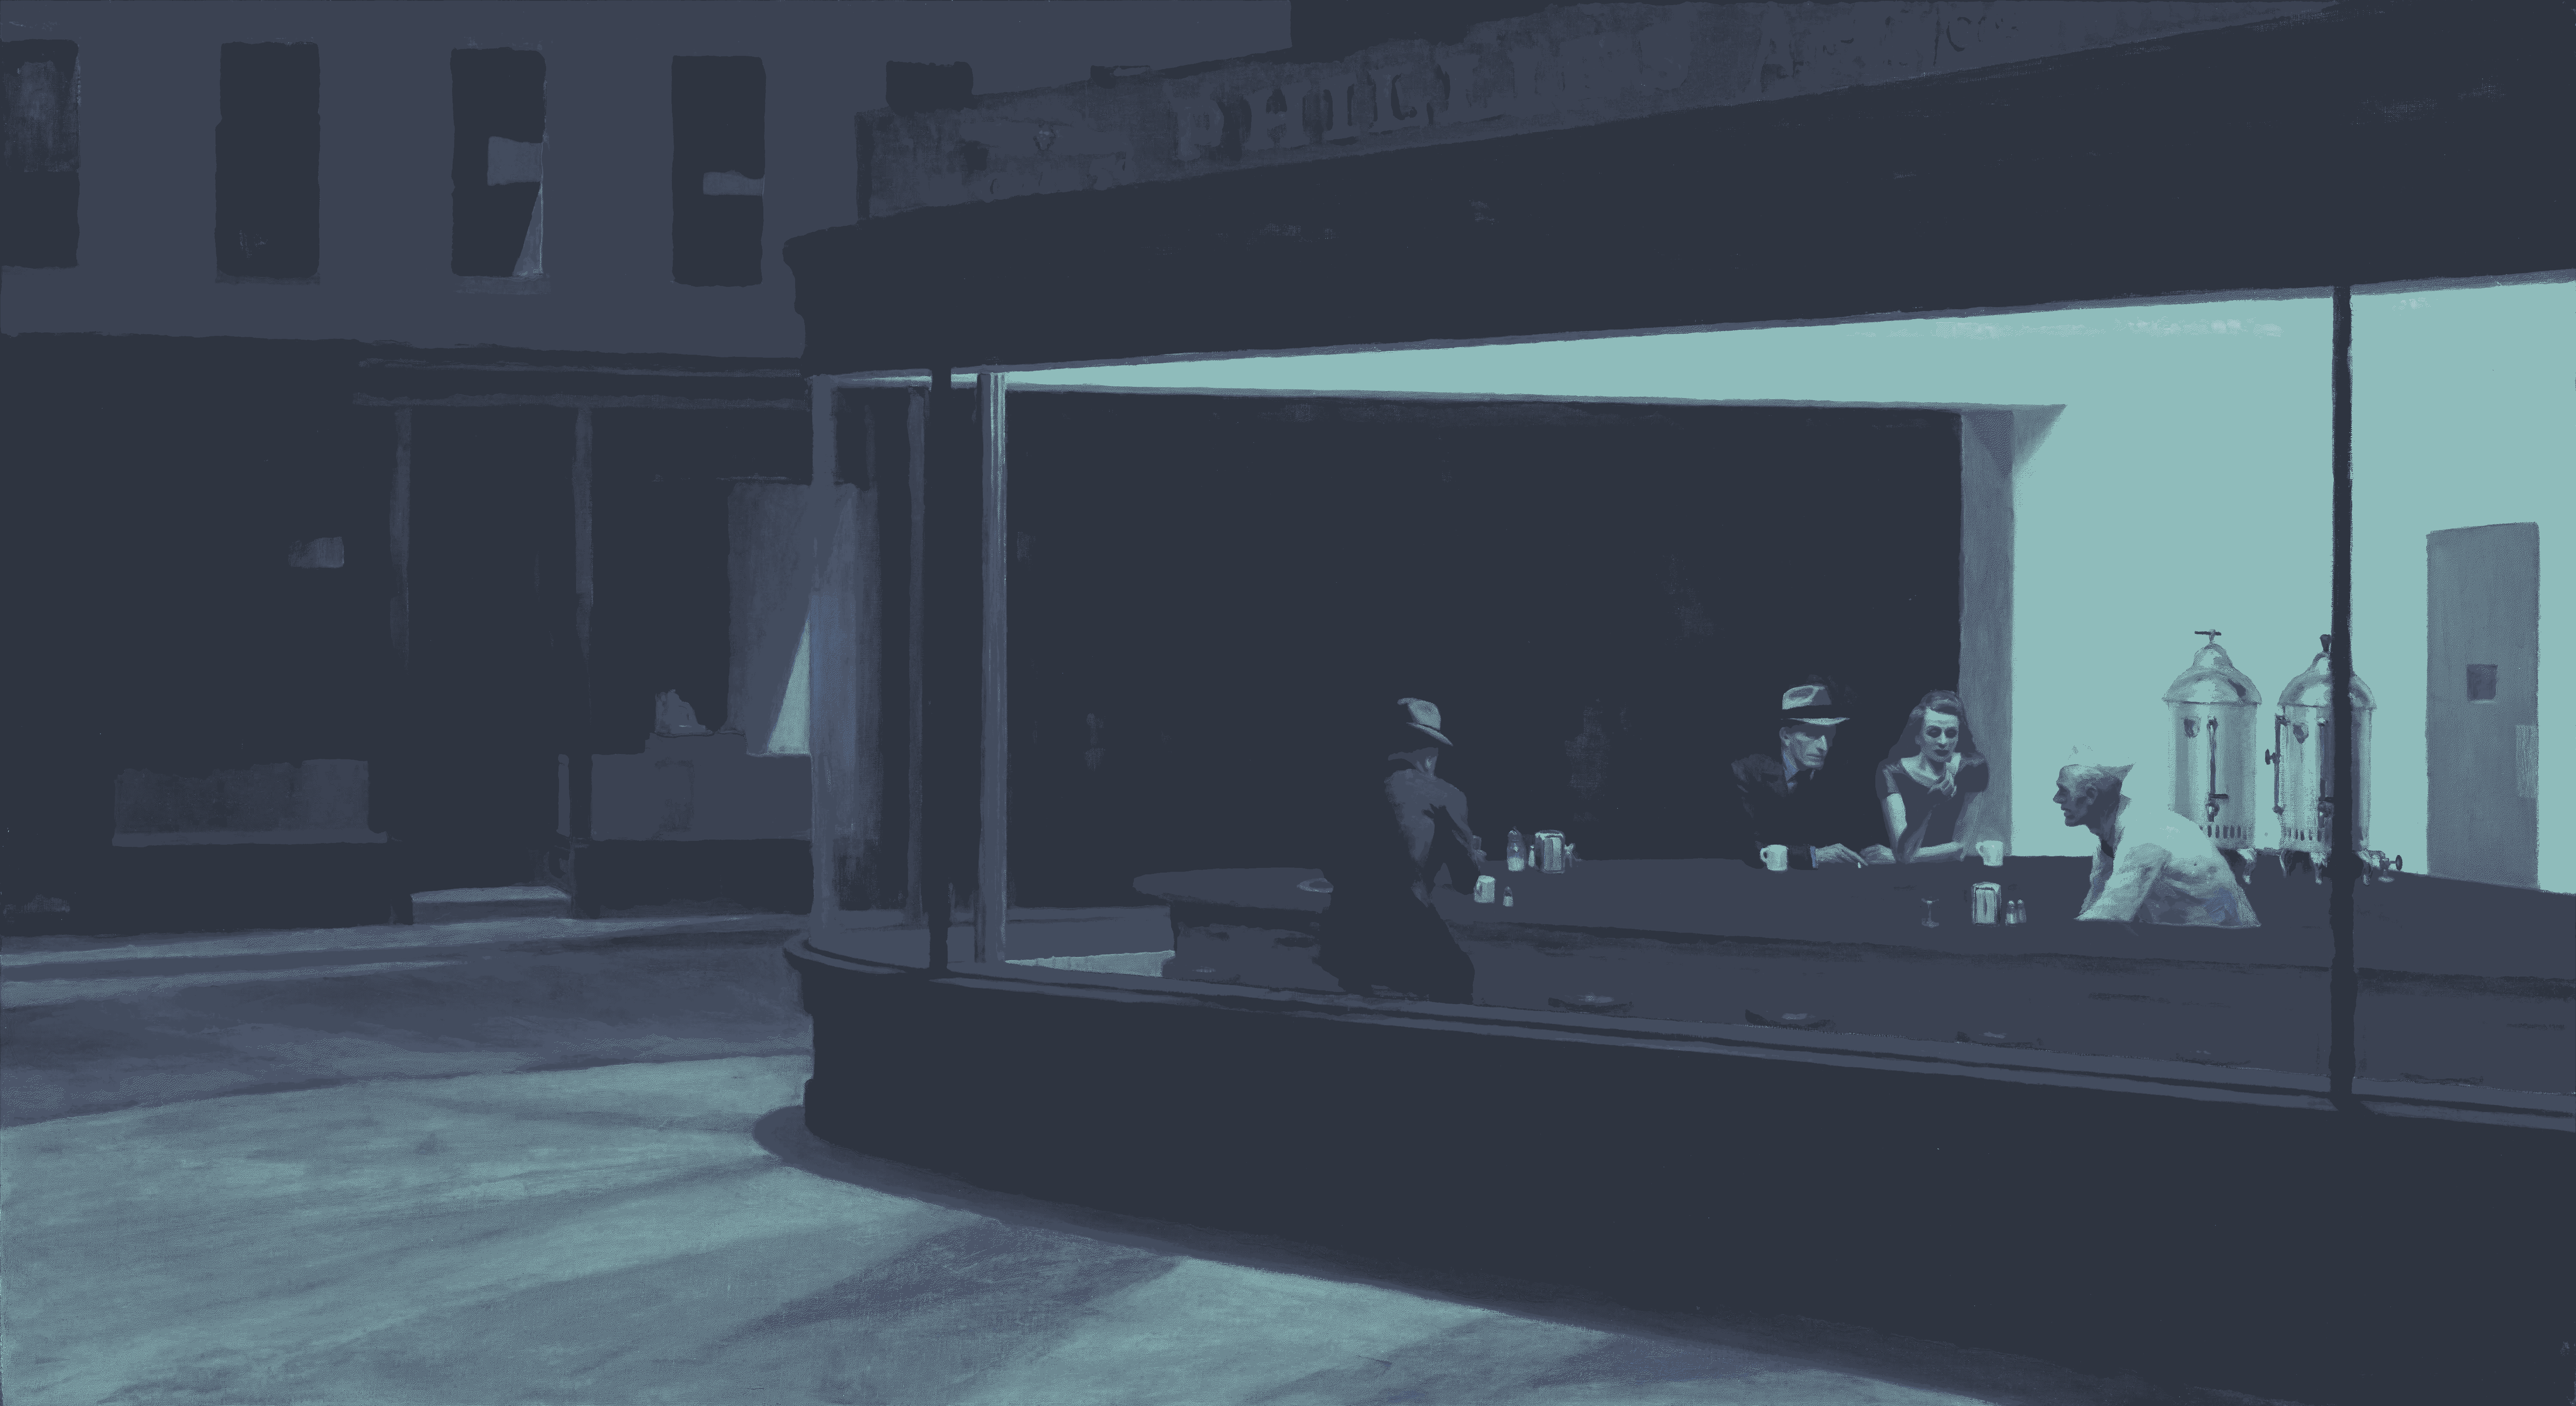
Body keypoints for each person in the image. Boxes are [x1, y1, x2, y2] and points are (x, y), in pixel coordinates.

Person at [1314, 697, 1483, 1002]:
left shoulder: (1349, 790)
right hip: (1406, 929)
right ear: (1431, 750)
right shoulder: (1446, 795)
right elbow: (1466, 883)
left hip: (1343, 932)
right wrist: (1472, 856)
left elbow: (1330, 862)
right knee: (1461, 975)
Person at [2055, 758, 2259, 927]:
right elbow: (2095, 907)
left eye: (2063, 791)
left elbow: (2110, 915)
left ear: (2091, 796)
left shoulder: (2145, 835)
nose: (2057, 799)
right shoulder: (2112, 838)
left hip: (2226, 946)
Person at [1727, 682, 1897, 869]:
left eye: (1829, 735)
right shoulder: (1747, 773)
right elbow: (1747, 845)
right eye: (1814, 734)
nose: (1824, 746)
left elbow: (1856, 829)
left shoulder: (1837, 772)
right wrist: (1813, 856)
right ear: (1786, 736)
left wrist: (1886, 853)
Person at [1876, 690, 1991, 863]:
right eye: (1934, 733)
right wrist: (1928, 804)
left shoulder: (1973, 768)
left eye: (1951, 734)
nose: (1943, 742)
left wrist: (1897, 858)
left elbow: (1960, 849)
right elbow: (1903, 848)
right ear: (1918, 737)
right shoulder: (1893, 772)